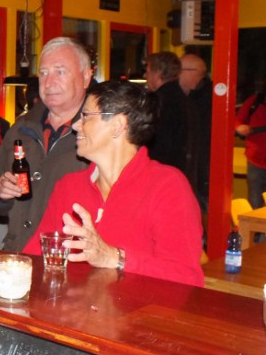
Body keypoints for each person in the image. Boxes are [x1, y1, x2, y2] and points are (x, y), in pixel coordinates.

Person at [23, 80, 204, 287]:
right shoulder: (68, 186)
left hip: (139, 308)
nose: (75, 125)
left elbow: (187, 278)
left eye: (86, 116)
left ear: (117, 126)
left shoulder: (167, 187)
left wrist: (115, 258)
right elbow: (35, 257)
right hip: (70, 306)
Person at [0, 37, 93, 251]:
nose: (49, 82)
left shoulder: (100, 133)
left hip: (71, 257)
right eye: (43, 73)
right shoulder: (21, 128)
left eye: (60, 72)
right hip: (18, 253)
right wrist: (1, 193)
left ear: (85, 77)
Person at [144, 51, 199, 188]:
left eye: (148, 71)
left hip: (159, 178)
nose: (145, 76)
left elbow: (156, 145)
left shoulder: (156, 102)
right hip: (181, 177)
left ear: (157, 74)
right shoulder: (187, 101)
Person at [179, 53, 212, 211]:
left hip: (200, 168)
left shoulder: (206, 99)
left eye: (179, 70)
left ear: (193, 72)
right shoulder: (192, 96)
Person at [235, 82, 266, 211]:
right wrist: (240, 127)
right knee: (255, 201)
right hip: (256, 160)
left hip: (255, 158)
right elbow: (238, 120)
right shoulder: (254, 101)